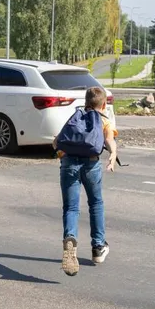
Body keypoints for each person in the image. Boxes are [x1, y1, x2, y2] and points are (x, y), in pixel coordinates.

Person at [58, 87, 118, 276]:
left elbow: (57, 141)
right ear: (104, 104)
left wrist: (62, 156)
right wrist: (113, 155)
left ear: (86, 102)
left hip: (69, 164)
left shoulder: (75, 118)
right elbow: (109, 140)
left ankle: (70, 237)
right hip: (91, 165)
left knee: (71, 208)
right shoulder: (104, 120)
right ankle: (98, 248)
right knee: (96, 203)